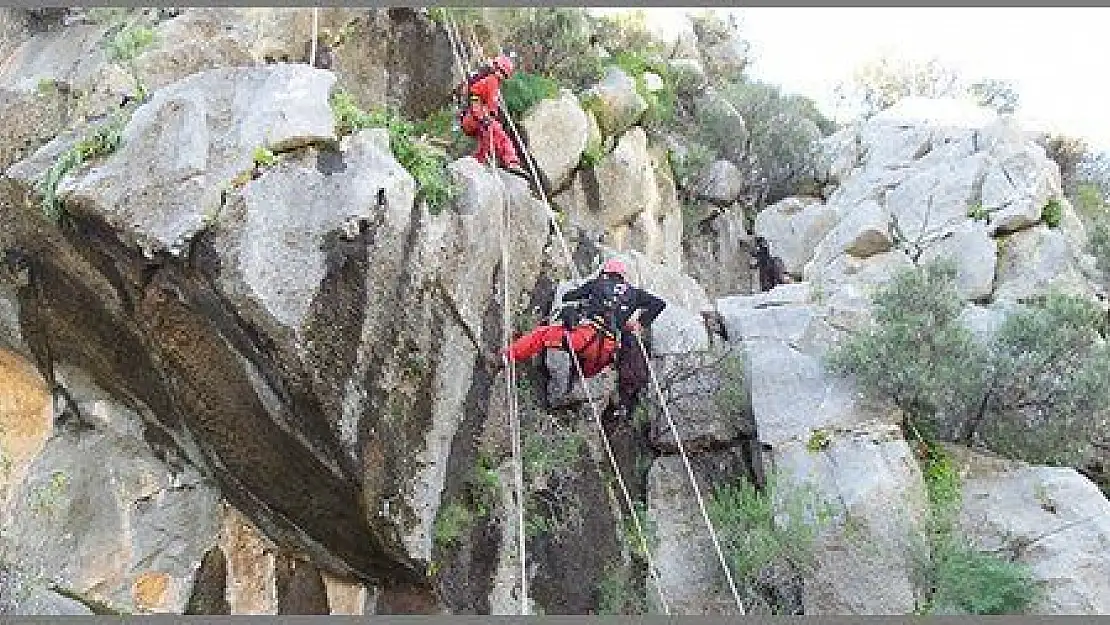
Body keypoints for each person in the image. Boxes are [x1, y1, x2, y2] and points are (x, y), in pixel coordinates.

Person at [489, 259, 666, 412]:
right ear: (622, 276)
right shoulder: (634, 293)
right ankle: (570, 389)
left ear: (606, 272)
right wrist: (640, 322)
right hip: (605, 352)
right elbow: (659, 304)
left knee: (541, 336)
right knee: (582, 368)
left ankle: (504, 358)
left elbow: (568, 297)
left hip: (585, 336)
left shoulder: (598, 283)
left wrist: (585, 299)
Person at [457, 54, 523, 173]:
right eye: (501, 72)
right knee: (500, 134)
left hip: (473, 119)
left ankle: (478, 161)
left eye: (504, 74)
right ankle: (511, 161)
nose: (501, 76)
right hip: (473, 118)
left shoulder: (492, 83)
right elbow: (474, 97)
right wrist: (482, 117)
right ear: (496, 68)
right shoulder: (490, 81)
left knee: (487, 139)